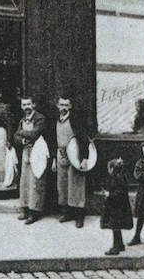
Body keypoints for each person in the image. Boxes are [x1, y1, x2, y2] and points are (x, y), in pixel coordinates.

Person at [52, 94, 88, 228]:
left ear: (71, 106)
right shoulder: (56, 120)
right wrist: (54, 159)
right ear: (57, 106)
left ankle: (79, 216)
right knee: (62, 185)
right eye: (61, 105)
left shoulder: (75, 120)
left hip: (75, 154)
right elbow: (53, 140)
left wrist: (84, 158)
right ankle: (67, 212)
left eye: (66, 105)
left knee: (76, 185)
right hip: (61, 154)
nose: (64, 108)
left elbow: (84, 139)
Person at [14, 96, 48, 224]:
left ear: (33, 104)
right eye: (24, 105)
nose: (26, 107)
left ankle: (35, 211)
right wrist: (22, 139)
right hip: (26, 151)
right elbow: (15, 136)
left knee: (36, 182)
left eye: (28, 104)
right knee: (25, 181)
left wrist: (22, 133)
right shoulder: (23, 119)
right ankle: (25, 209)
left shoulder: (40, 118)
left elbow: (35, 133)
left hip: (38, 151)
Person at [100, 157, 133, 255]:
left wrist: (108, 194)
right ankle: (120, 244)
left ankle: (115, 247)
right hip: (119, 207)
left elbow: (119, 194)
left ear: (113, 169)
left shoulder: (117, 179)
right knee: (117, 227)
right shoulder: (120, 177)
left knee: (115, 226)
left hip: (117, 208)